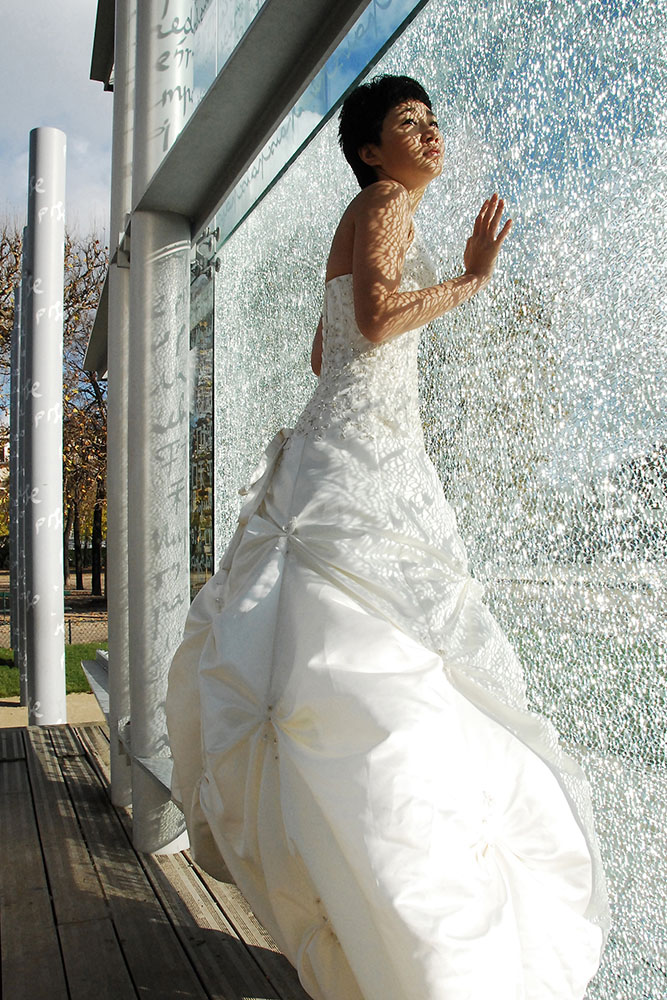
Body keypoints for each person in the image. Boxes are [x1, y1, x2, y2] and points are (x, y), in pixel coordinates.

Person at [167, 74, 609, 1000]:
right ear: (371, 149)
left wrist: (390, 340)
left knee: (343, 649)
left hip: (348, 449)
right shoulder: (385, 201)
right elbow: (371, 322)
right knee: (377, 661)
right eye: (408, 123)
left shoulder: (376, 209)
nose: (430, 134)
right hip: (362, 461)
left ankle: (356, 880)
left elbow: (328, 352)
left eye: (433, 120)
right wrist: (472, 281)